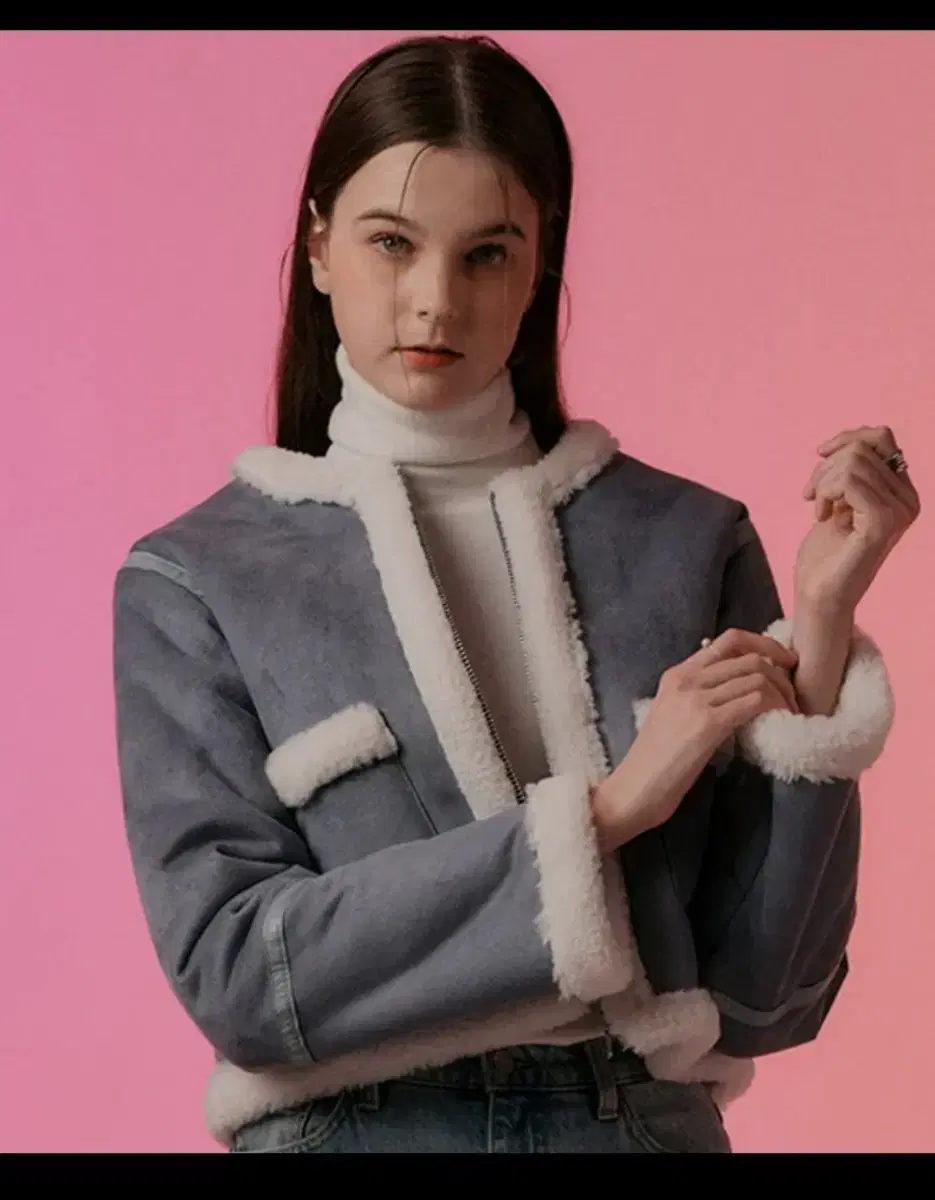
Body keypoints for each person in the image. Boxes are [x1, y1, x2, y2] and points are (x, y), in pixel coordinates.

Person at [111, 34, 920, 1154]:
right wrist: (604, 814)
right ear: (318, 247)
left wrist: (820, 632)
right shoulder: (198, 579)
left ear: (540, 265)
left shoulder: (687, 541)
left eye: (486, 253)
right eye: (390, 243)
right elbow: (241, 978)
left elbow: (764, 998)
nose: (434, 301)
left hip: (635, 1124)